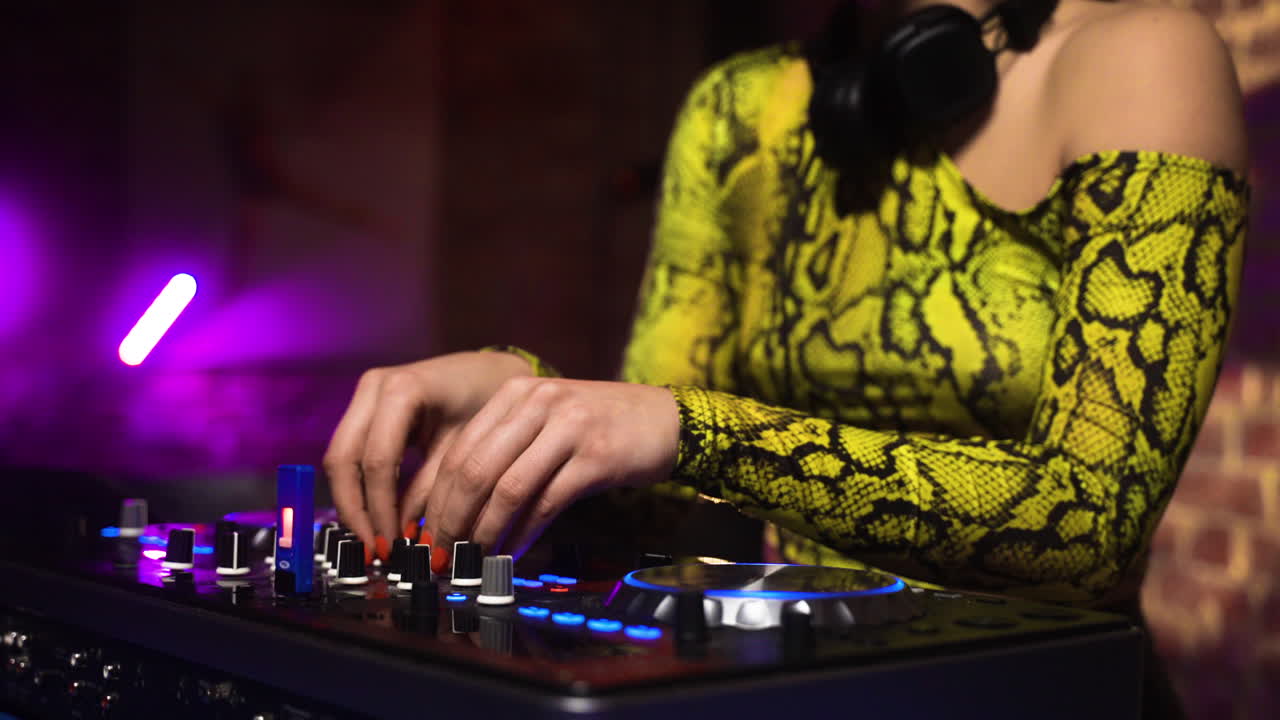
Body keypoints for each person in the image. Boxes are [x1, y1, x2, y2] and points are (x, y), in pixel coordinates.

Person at [325, 1, 1247, 712]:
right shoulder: (738, 107)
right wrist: (525, 397)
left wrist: (691, 427)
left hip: (1032, 695)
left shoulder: (1146, 54)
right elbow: (656, 492)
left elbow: (1088, 526)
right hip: (784, 685)